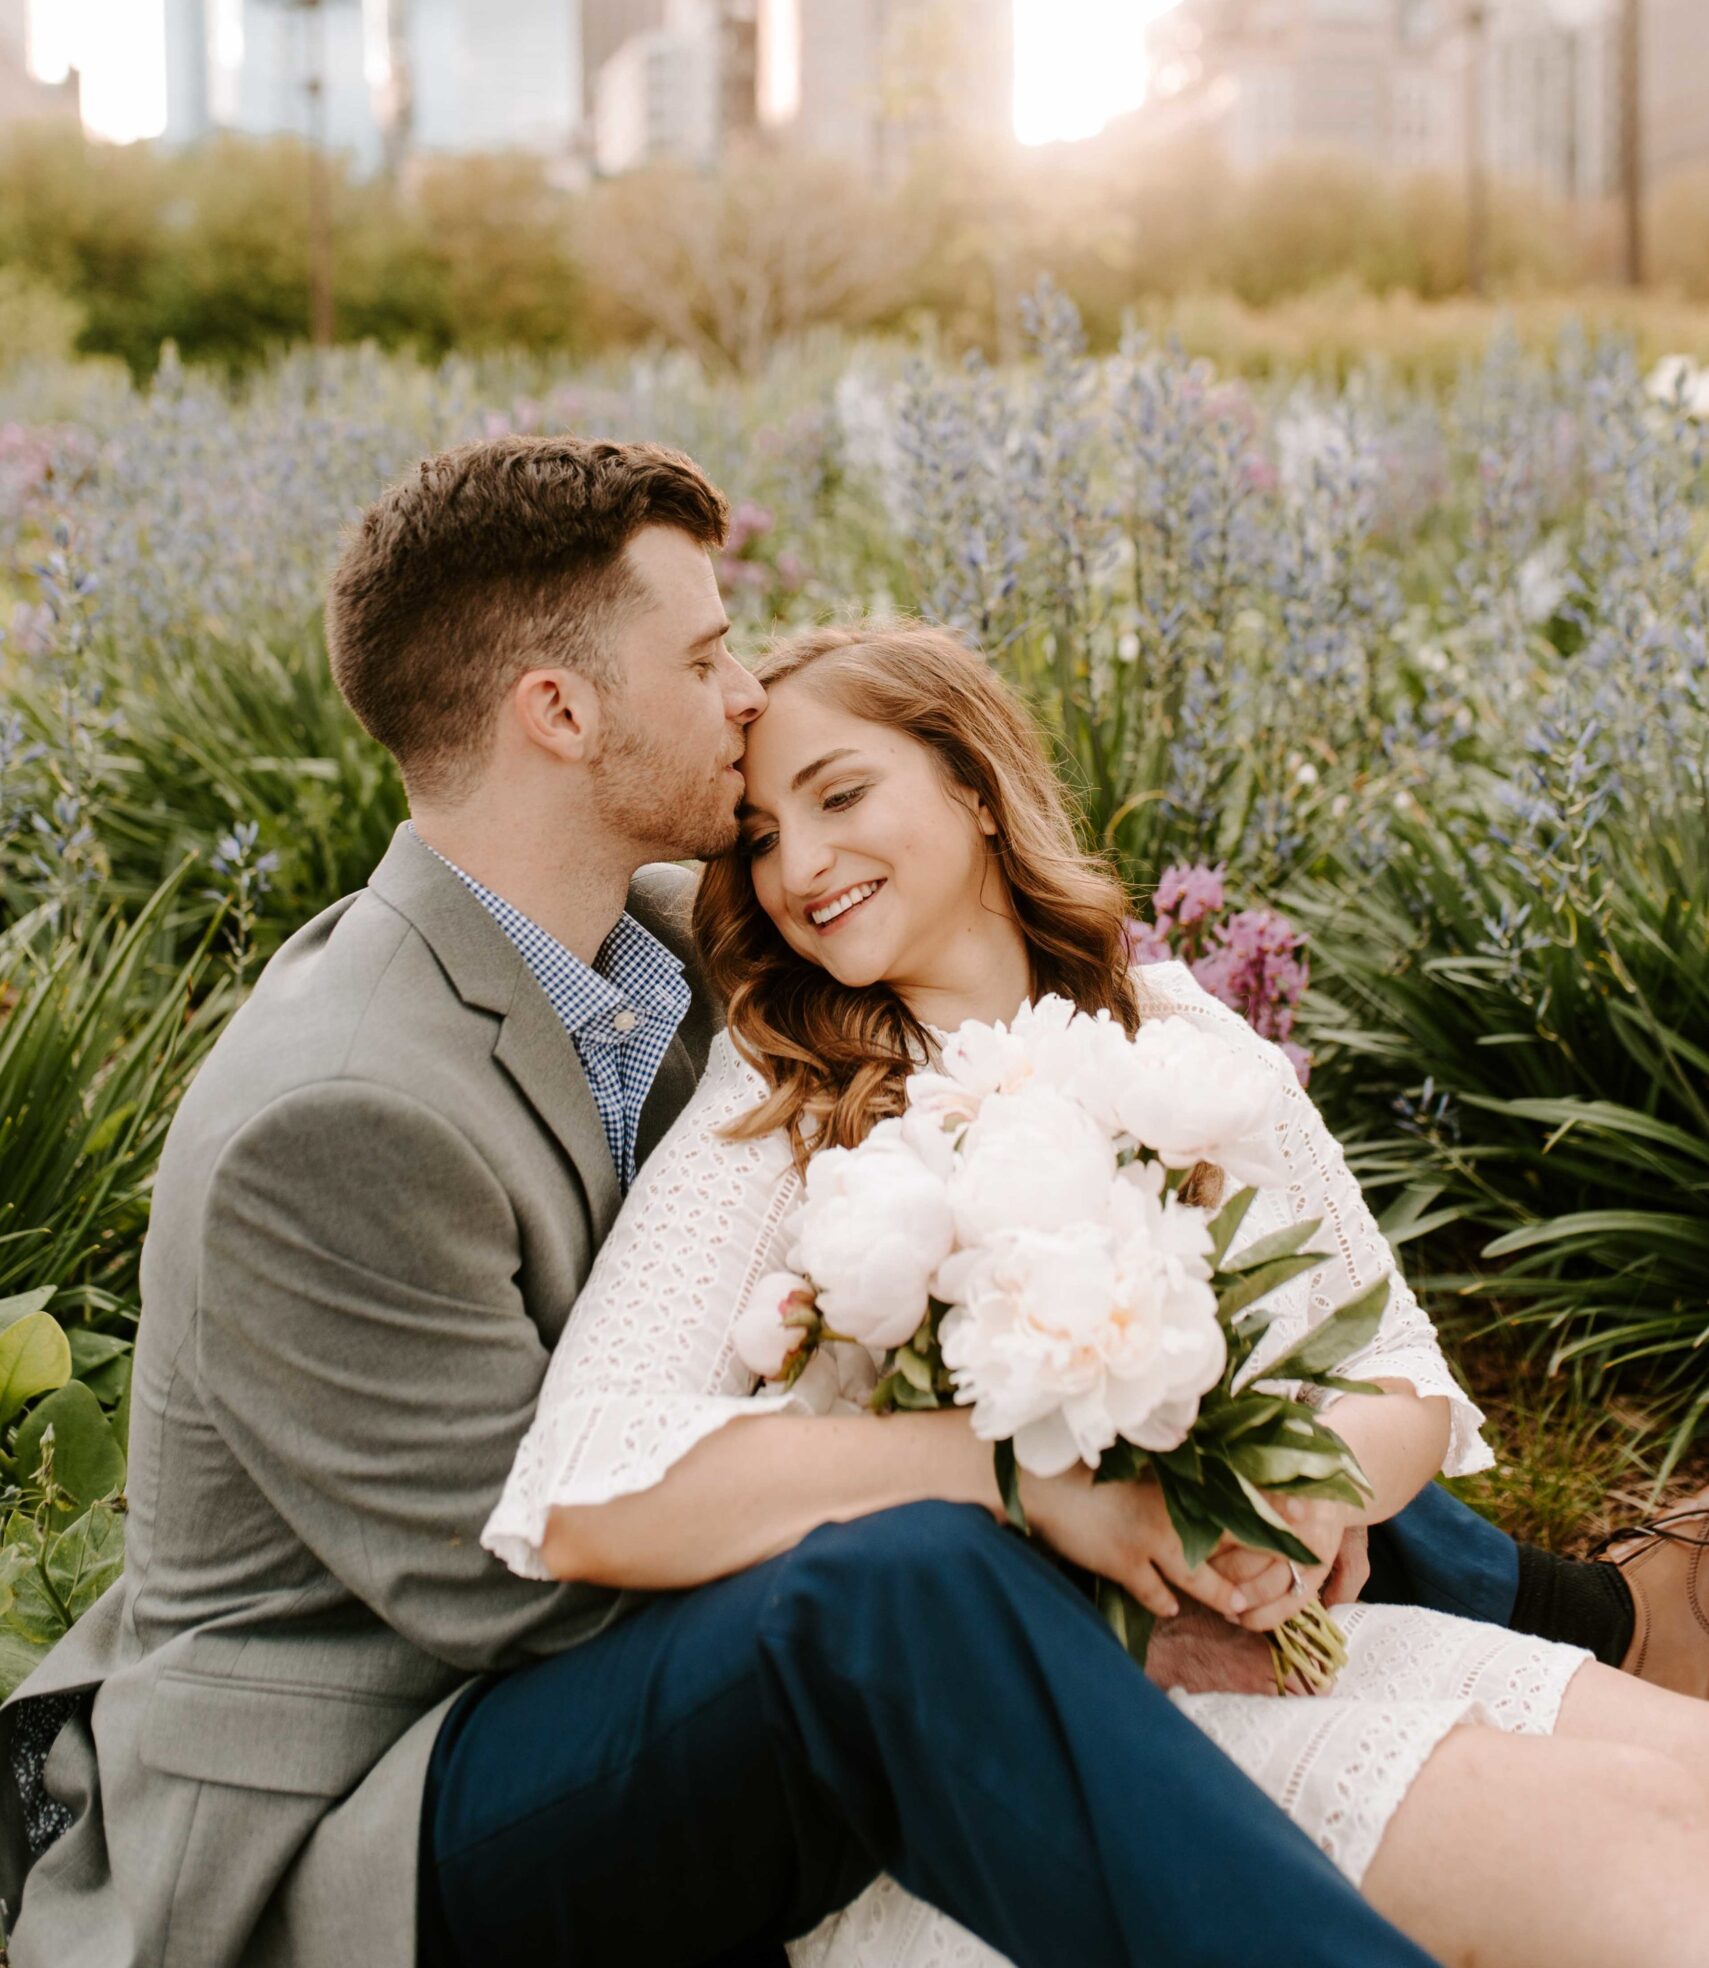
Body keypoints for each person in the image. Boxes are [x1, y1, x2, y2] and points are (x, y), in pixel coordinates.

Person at [0, 435, 1697, 1968]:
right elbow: (511, 1587)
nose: (746, 695)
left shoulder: (662, 937)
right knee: (916, 1572)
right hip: (370, 1808)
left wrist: (1111, 1412)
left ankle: (1595, 1623)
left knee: (1129, 1360)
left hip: (602, 1630)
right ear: (560, 714)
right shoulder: (341, 1107)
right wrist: (1044, 1497)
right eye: (704, 653)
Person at [479, 619, 1709, 1968]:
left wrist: (1300, 1496)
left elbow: (1404, 1380)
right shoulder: (784, 1107)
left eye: (839, 796)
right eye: (761, 836)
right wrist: (1015, 1474)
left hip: (1287, 1640)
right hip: (1024, 1740)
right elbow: (587, 1491)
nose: (801, 866)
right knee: (1630, 1878)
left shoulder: (1179, 1038)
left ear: (973, 784)